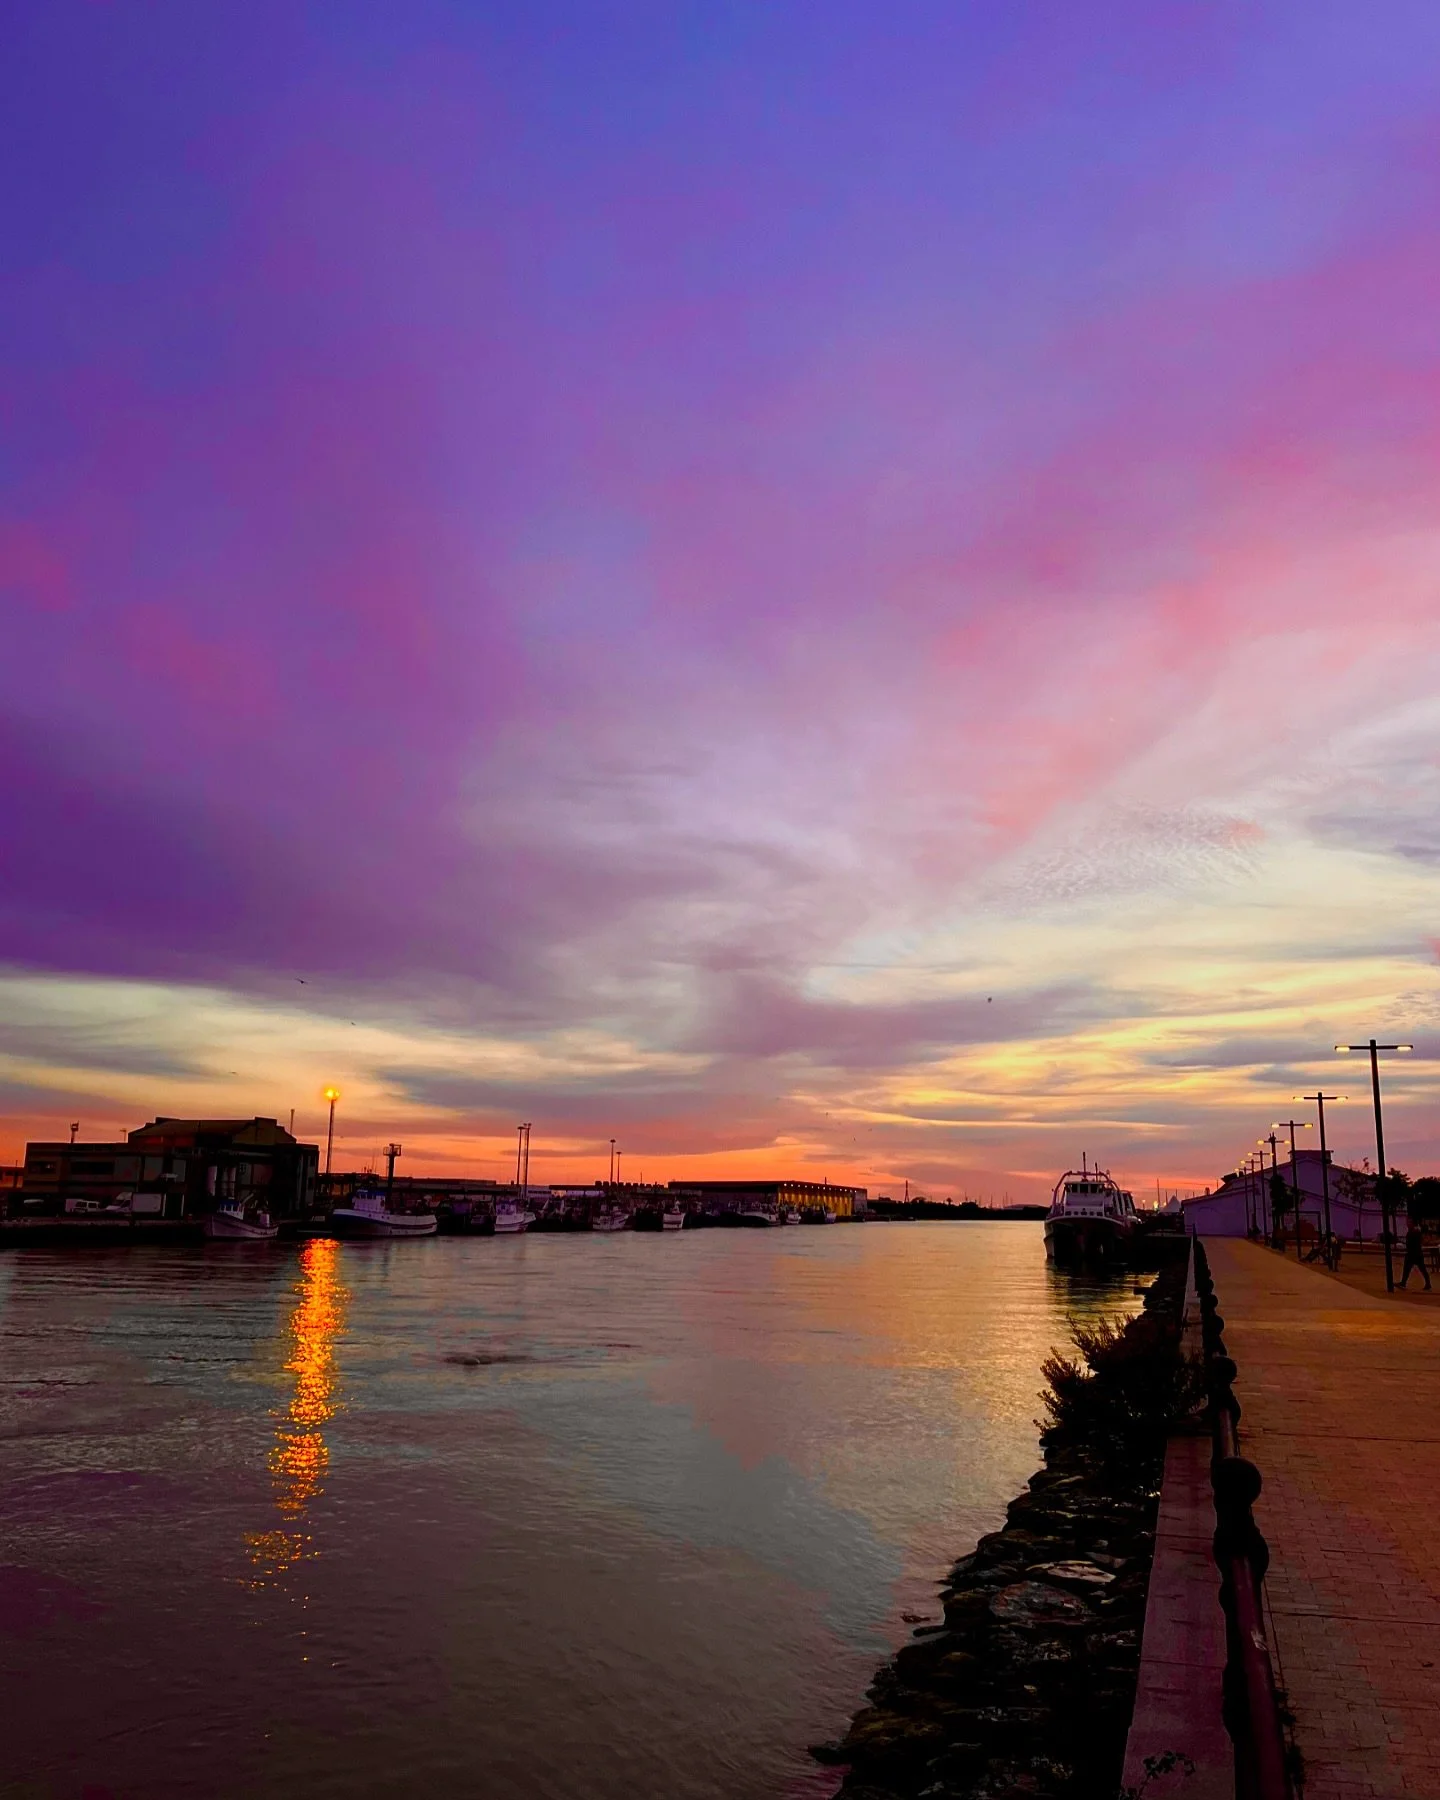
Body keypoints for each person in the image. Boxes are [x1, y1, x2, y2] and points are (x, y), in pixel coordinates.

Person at [1400, 1220, 1432, 1291]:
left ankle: (1428, 1283)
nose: (1407, 1224)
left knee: (1422, 1269)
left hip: (1415, 1254)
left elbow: (1417, 1242)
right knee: (1407, 1269)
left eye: (1409, 1222)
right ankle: (1403, 1283)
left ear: (1413, 1224)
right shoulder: (1412, 1232)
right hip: (1412, 1253)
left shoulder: (1415, 1232)